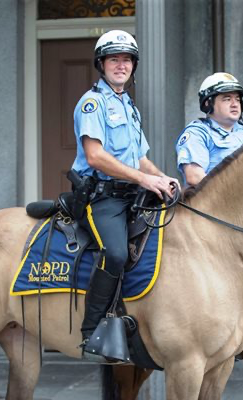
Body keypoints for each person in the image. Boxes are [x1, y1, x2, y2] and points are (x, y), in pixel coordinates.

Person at [70, 30, 180, 360]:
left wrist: (162, 178)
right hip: (102, 198)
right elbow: (96, 156)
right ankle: (93, 331)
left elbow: (140, 157)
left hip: (132, 194)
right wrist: (144, 179)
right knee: (116, 253)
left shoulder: (128, 105)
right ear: (101, 64)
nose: (121, 65)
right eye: (114, 59)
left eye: (127, 60)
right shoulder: (92, 103)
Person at [176, 72, 243, 186]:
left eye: (238, 99)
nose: (235, 104)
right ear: (208, 104)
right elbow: (194, 176)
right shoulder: (198, 133)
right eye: (227, 99)